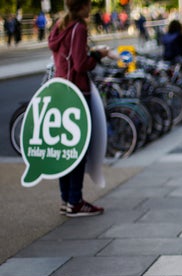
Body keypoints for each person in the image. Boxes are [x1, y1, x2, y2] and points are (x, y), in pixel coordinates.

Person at [49, 0, 109, 217]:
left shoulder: (59, 25)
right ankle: (76, 201)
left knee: (64, 147)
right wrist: (97, 55)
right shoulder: (79, 28)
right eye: (89, 4)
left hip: (60, 90)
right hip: (77, 93)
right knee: (79, 148)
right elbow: (80, 64)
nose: (91, 7)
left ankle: (66, 199)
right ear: (82, 6)